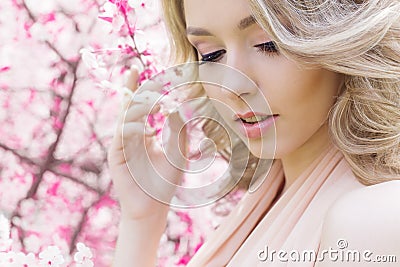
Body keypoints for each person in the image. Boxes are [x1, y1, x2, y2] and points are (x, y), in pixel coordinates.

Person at [107, 0, 400, 266]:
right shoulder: (258, 206)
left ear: (342, 34)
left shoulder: (372, 219)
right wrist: (142, 219)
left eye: (268, 44)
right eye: (211, 55)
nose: (232, 85)